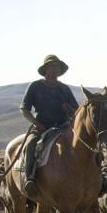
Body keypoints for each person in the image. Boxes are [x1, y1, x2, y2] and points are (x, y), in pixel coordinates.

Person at [20, 55, 78, 197]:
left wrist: (68, 109)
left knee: (83, 145)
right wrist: (36, 123)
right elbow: (24, 109)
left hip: (64, 127)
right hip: (42, 127)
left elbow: (77, 111)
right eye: (52, 67)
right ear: (45, 69)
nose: (55, 70)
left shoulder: (64, 89)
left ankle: (93, 180)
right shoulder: (35, 86)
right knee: (31, 144)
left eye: (57, 67)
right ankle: (30, 179)